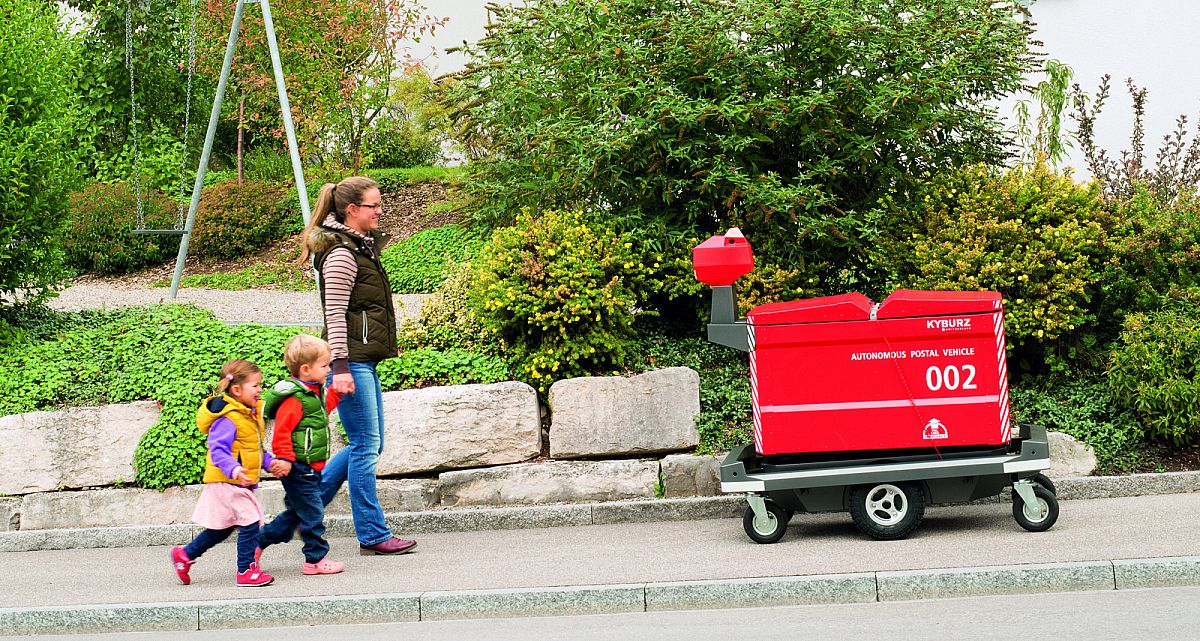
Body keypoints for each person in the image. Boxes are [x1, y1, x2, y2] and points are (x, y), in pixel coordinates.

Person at [298, 176, 417, 555]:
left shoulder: (359, 247)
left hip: (361, 359)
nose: (380, 211)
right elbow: (334, 314)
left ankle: (305, 508)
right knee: (366, 446)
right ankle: (373, 533)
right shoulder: (341, 254)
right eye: (373, 205)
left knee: (368, 444)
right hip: (350, 361)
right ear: (352, 210)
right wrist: (341, 366)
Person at [170, 359, 287, 587]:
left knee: (221, 529)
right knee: (251, 521)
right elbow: (218, 451)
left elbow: (253, 449)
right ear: (237, 390)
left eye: (260, 385)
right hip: (227, 482)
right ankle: (246, 570)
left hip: (236, 482)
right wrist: (235, 469)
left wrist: (270, 463)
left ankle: (184, 555)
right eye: (255, 385)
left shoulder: (247, 415)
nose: (260, 389)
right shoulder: (228, 419)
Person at [256, 334, 346, 575]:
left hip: (311, 466)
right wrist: (285, 459)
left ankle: (258, 541)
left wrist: (337, 393)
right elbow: (282, 433)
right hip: (298, 467)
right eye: (324, 366)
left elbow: (320, 411)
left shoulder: (312, 392)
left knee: (298, 514)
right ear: (306, 370)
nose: (329, 370)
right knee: (313, 513)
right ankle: (315, 559)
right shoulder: (295, 399)